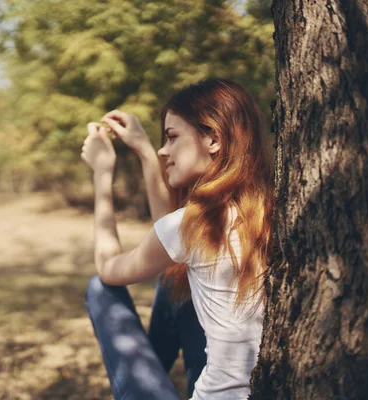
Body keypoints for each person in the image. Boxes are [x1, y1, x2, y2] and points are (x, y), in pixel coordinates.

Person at [81, 78, 274, 400]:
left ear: (212, 138)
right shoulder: (270, 210)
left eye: (172, 138)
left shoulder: (193, 225)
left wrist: (102, 174)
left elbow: (108, 267)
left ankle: (152, 376)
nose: (162, 149)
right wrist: (144, 151)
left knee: (100, 288)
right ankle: (157, 374)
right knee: (173, 280)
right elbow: (169, 239)